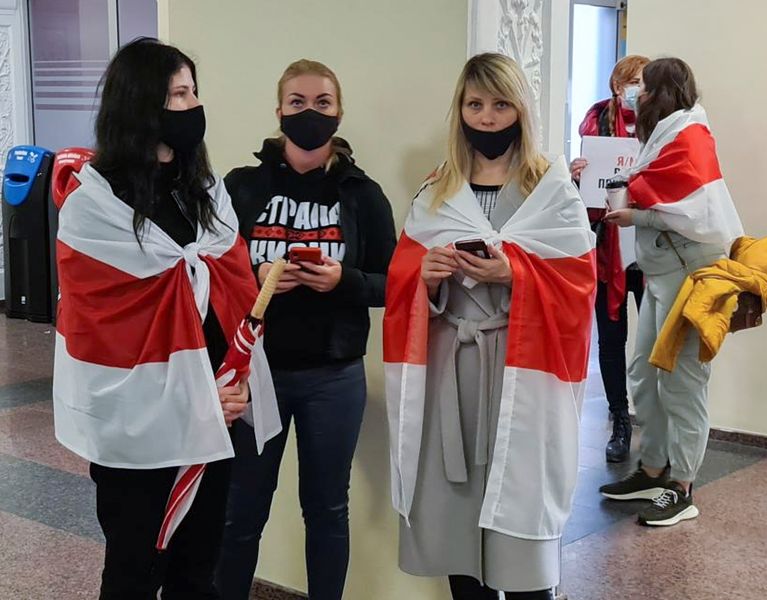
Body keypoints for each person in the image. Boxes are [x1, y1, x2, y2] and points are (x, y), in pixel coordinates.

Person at [53, 38, 279, 599]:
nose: (192, 105)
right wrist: (199, 392)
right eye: (179, 94)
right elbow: (105, 333)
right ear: (143, 105)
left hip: (212, 415)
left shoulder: (203, 191)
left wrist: (232, 382)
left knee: (197, 566)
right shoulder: (93, 205)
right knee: (132, 567)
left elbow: (231, 292)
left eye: (193, 92)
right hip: (137, 422)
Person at [383, 53, 596, 600]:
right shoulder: (437, 190)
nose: (488, 118)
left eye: (501, 105)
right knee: (457, 523)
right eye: (475, 105)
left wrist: (515, 272)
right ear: (460, 111)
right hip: (452, 375)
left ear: (520, 110)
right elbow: (402, 281)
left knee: (519, 513)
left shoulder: (550, 189)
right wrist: (425, 280)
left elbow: (577, 284)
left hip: (522, 373)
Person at [215, 59, 397, 600]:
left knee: (327, 510)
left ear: (339, 113)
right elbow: (210, 274)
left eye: (322, 103)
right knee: (241, 509)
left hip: (333, 376)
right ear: (278, 112)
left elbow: (391, 285)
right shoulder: (241, 187)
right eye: (297, 102)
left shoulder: (363, 194)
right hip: (254, 374)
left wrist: (340, 280)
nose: (309, 113)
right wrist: (255, 276)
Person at [599, 58, 744, 526]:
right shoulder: (664, 132)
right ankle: (653, 468)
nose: (632, 93)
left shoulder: (690, 135)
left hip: (691, 273)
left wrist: (634, 215)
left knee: (682, 382)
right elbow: (654, 188)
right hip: (663, 273)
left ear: (661, 90)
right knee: (644, 372)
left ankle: (682, 486)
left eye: (641, 86)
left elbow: (692, 214)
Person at [571, 54, 650, 462]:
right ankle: (619, 418)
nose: (639, 88)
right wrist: (576, 174)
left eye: (644, 81)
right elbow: (584, 187)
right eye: (632, 81)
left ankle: (658, 425)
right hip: (607, 249)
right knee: (611, 337)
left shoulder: (661, 123)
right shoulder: (596, 122)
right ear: (617, 86)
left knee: (656, 336)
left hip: (650, 247)